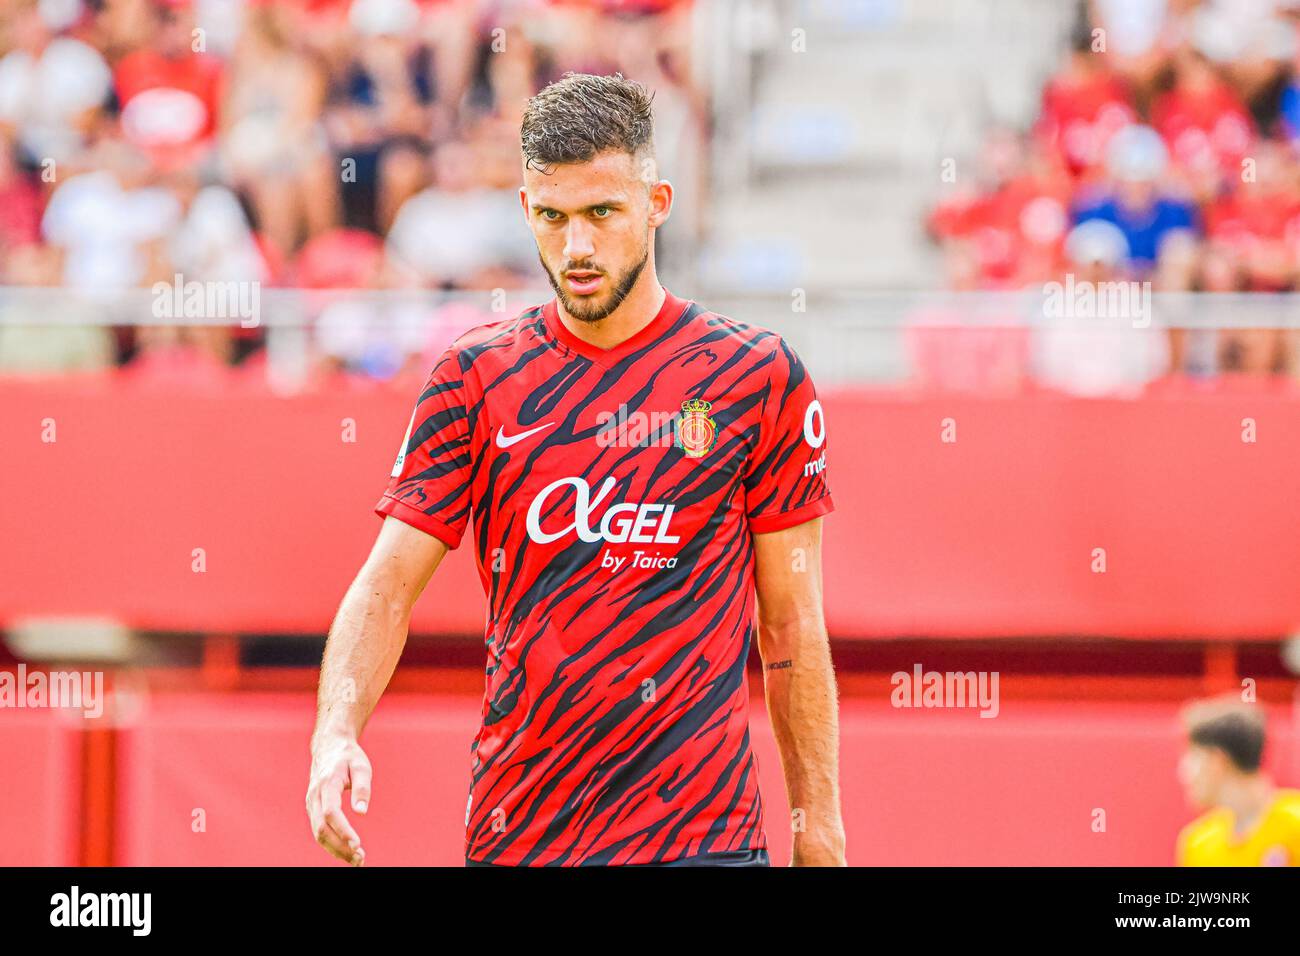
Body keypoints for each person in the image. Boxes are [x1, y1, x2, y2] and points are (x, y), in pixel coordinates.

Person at [306, 72, 846, 867]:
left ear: (657, 203)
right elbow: (386, 585)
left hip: (703, 841)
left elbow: (792, 624)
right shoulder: (476, 377)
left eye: (603, 213)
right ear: (526, 210)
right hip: (523, 837)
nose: (578, 247)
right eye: (554, 219)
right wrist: (335, 732)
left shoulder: (754, 377)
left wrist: (818, 827)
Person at [1176, 695, 1300, 866]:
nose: (1184, 771)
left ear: (1217, 760)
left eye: (1193, 757)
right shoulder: (1198, 844)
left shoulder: (1295, 824)